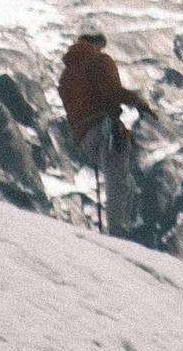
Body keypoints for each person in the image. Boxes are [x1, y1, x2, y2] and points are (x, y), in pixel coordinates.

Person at [58, 30, 155, 235]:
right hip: (106, 130)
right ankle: (117, 236)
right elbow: (113, 92)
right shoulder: (100, 60)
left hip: (84, 137)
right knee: (118, 184)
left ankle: (118, 231)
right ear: (98, 42)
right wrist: (137, 101)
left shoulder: (67, 74)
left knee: (124, 183)